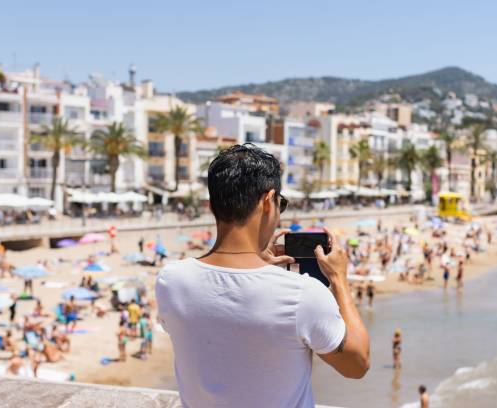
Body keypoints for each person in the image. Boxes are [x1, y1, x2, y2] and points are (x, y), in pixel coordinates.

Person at [156, 144, 370, 407]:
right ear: (268, 201)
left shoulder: (172, 281)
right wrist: (339, 280)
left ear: (212, 206)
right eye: (282, 204)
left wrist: (257, 263)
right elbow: (357, 364)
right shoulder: (302, 294)